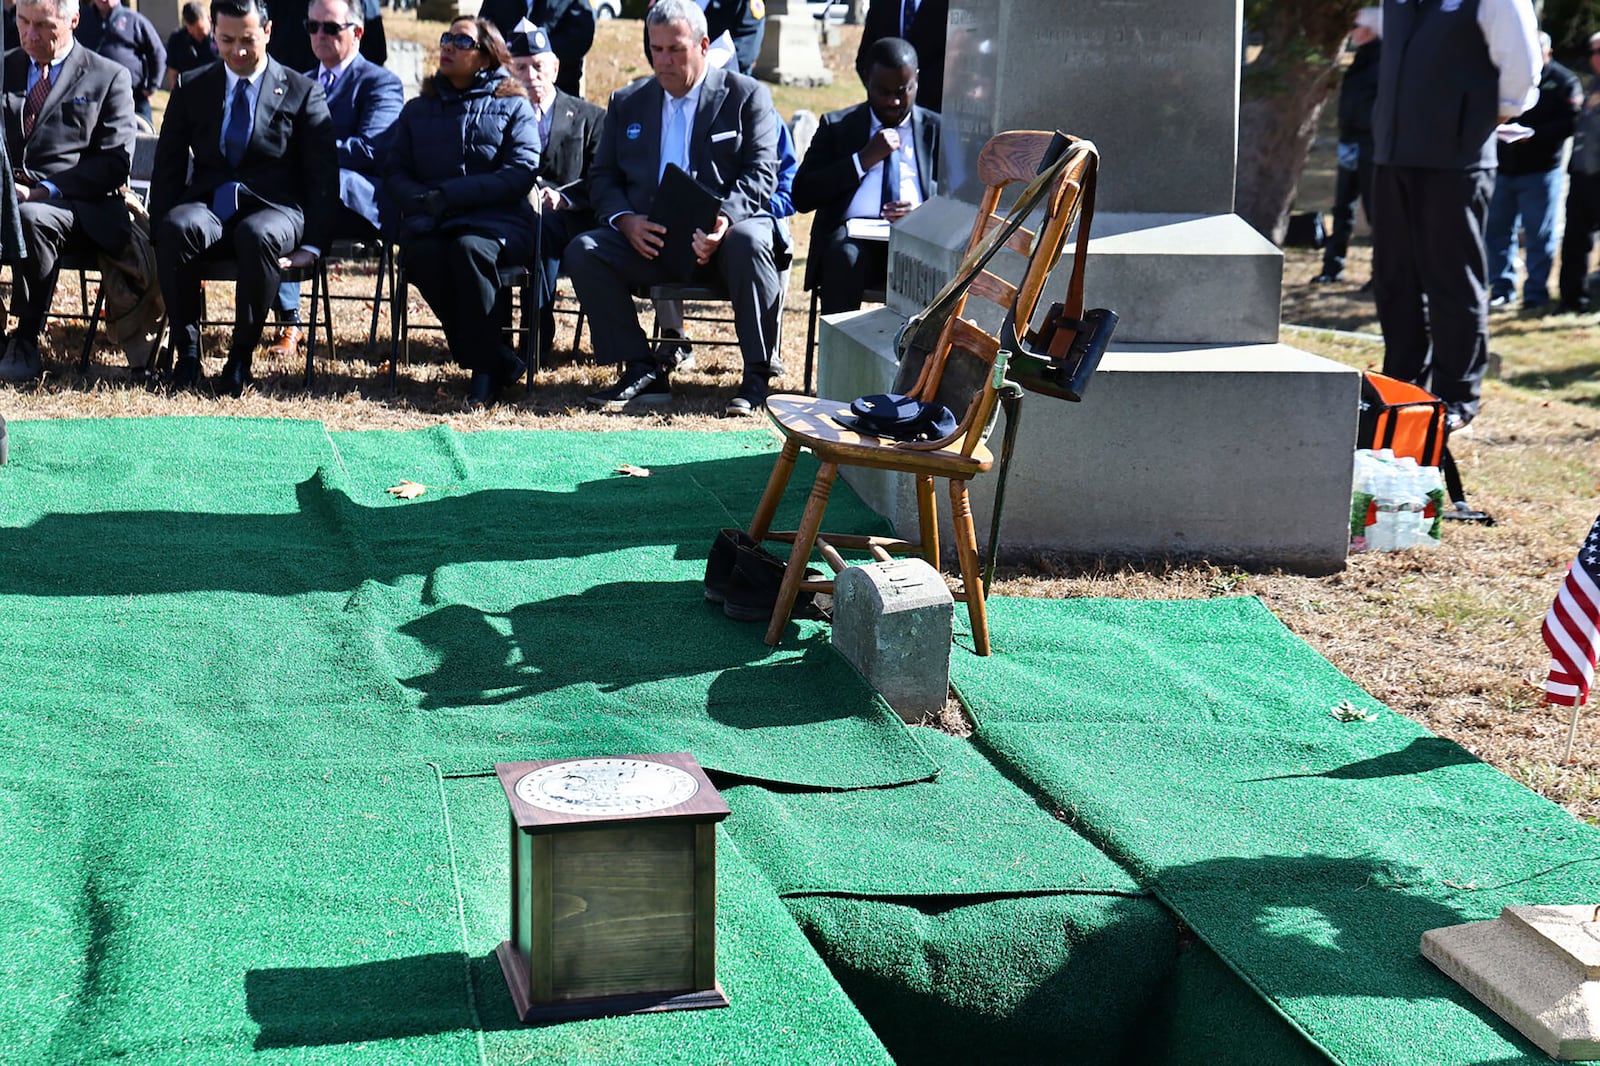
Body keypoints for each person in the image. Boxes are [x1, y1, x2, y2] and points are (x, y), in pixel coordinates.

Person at [565, 0, 781, 416]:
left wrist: (726, 220)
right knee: (584, 250)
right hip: (651, 242)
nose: (663, 60)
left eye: (675, 50)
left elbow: (761, 173)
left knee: (752, 241)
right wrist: (626, 222)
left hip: (723, 243)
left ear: (703, 45)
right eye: (656, 49)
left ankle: (757, 375)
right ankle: (641, 368)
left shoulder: (744, 95)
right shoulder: (628, 101)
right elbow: (602, 176)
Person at [151, 0, 337, 398]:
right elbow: (167, 166)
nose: (237, 51)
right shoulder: (192, 85)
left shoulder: (303, 92)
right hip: (211, 203)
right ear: (213, 33)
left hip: (276, 208)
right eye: (226, 39)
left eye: (247, 40)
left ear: (267, 32)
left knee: (257, 234)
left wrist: (314, 245)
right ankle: (186, 354)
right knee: (176, 226)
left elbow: (323, 177)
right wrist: (159, 230)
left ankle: (239, 358)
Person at [1370, 0, 1539, 432]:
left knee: (1451, 279)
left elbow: (1520, 65)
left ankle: (1456, 395)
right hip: (1393, 155)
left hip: (1456, 159)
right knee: (1394, 278)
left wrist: (1482, 115)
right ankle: (1401, 384)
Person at [383, 17, 539, 406]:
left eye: (461, 41)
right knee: (420, 254)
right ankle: (494, 357)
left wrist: (451, 194)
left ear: (486, 57)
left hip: (497, 224)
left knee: (468, 249)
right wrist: (423, 202)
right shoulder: (419, 109)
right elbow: (395, 170)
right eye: (445, 38)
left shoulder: (513, 105)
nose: (448, 46)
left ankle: (485, 372)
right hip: (433, 221)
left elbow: (521, 173)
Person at [0, 0, 134, 382]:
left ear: (74, 20)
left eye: (42, 25)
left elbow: (114, 163)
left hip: (78, 207)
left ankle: (25, 338)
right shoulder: (6, 67)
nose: (29, 34)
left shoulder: (108, 76)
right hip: (8, 196)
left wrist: (43, 191)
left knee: (30, 216)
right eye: (22, 22)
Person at [267, 0, 402, 357]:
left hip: (355, 201)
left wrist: (309, 151)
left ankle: (290, 321)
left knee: (291, 194)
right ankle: (285, 318)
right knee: (268, 203)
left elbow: (371, 150)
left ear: (357, 32)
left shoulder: (380, 83)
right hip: (302, 199)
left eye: (330, 28)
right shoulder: (297, 83)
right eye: (312, 27)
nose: (320, 35)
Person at [793, 35, 938, 315]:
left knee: (940, 261)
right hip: (856, 241)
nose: (894, 101)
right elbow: (802, 195)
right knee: (842, 255)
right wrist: (861, 160)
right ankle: (840, 354)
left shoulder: (938, 131)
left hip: (919, 242)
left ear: (916, 80)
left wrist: (922, 213)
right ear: (867, 80)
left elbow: (962, 199)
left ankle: (922, 356)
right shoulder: (837, 127)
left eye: (903, 90)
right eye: (883, 91)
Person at [506, 23, 602, 355]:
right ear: (509, 70)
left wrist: (564, 198)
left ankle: (534, 341)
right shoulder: (499, 114)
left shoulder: (590, 118)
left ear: (556, 68)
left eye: (538, 65)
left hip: (568, 220)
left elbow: (602, 177)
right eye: (520, 67)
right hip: (508, 216)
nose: (530, 74)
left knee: (544, 229)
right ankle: (495, 340)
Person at [1484, 31, 1580, 311]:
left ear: (1547, 53)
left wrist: (1534, 136)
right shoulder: (1506, 77)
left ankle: (1535, 293)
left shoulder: (1563, 81)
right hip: (1503, 168)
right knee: (1497, 232)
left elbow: (1569, 124)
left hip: (1540, 171)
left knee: (1540, 234)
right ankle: (1501, 288)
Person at [1312, 7, 1380, 287]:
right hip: (1349, 142)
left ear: (1370, 29)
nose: (1351, 31)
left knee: (1377, 212)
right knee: (1342, 208)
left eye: (1356, 25)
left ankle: (1380, 274)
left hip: (1372, 144)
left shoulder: (1383, 60)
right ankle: (1332, 266)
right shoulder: (1361, 59)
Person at [1559, 33, 1600, 315]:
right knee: (1575, 239)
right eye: (1593, 51)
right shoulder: (1592, 86)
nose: (1595, 56)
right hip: (1583, 173)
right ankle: (1573, 299)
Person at [74, 0, 164, 124]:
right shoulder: (80, 18)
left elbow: (158, 53)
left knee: (143, 135)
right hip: (89, 95)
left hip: (132, 95)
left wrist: (152, 86)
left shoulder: (135, 20)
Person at [478, 0, 593, 96]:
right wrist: (509, 59)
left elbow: (580, 38)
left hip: (560, 91)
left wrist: (540, 56)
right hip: (507, 91)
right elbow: (484, 31)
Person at [855, 0, 944, 113]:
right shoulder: (881, 4)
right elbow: (865, 59)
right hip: (884, 114)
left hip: (934, 110)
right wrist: (883, 95)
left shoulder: (950, 5)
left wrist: (911, 94)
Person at [164, 2, 218, 90]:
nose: (197, 35)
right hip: (188, 93)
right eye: (193, 32)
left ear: (209, 19)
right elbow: (173, 73)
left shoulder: (221, 37)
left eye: (201, 31)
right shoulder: (177, 39)